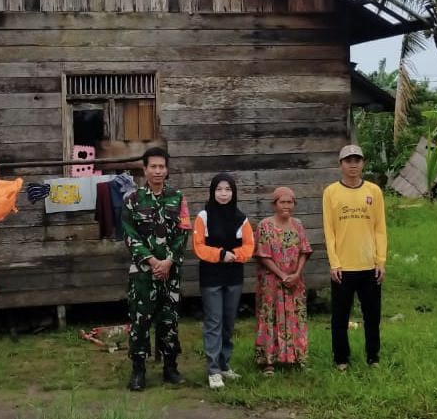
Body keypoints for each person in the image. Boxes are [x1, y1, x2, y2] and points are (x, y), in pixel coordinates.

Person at [122, 147, 189, 391]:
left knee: (169, 320)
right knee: (140, 322)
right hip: (142, 273)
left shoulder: (179, 198)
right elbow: (129, 236)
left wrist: (169, 261)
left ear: (167, 169)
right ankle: (138, 371)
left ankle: (170, 368)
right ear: (145, 169)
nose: (158, 171)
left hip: (170, 274)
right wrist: (152, 262)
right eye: (153, 166)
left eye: (162, 166)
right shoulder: (132, 200)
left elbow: (183, 233)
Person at [322, 145, 387, 370]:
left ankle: (373, 357)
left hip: (369, 265)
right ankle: (341, 358)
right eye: (348, 160)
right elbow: (329, 231)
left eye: (357, 160)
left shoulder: (374, 191)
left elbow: (380, 229)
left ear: (363, 163)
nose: (353, 165)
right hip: (343, 267)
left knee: (372, 316)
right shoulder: (331, 192)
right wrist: (334, 263)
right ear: (340, 164)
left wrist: (381, 261)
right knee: (340, 317)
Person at [192, 173, 254, 389]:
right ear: (212, 191)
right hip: (211, 277)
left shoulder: (241, 218)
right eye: (219, 189)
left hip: (234, 277)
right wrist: (220, 255)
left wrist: (236, 255)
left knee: (228, 323)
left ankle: (224, 364)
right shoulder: (203, 216)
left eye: (228, 189)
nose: (223, 194)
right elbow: (198, 246)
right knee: (214, 323)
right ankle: (213, 371)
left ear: (233, 192)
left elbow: (249, 245)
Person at [254, 186, 312, 374]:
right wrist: (282, 275)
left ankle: (296, 358)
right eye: (282, 202)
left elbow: (304, 250)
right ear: (274, 204)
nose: (286, 206)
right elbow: (262, 254)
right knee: (270, 317)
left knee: (295, 316)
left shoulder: (298, 224)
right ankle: (268, 361)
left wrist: (296, 274)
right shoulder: (265, 225)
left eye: (290, 202)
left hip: (295, 281)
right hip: (271, 282)